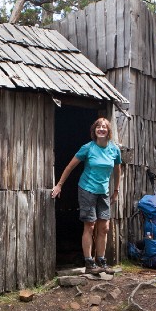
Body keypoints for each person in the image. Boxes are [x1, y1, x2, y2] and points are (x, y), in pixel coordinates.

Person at [51, 117, 122, 275]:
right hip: (87, 189)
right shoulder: (88, 148)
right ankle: (89, 262)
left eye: (104, 127)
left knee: (104, 227)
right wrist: (59, 185)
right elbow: (70, 166)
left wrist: (116, 190)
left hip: (103, 191)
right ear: (94, 131)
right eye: (98, 127)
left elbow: (117, 170)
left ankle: (101, 261)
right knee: (90, 225)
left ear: (108, 131)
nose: (101, 129)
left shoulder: (114, 149)